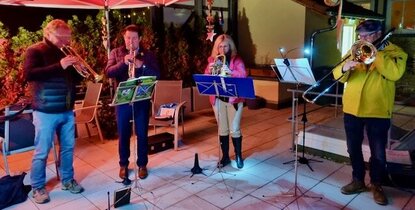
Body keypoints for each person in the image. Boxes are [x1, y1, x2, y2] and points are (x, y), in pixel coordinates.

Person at [333, 20, 407, 206]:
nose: (362, 39)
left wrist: (376, 55)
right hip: (352, 109)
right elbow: (338, 75)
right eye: (360, 36)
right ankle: (358, 180)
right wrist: (345, 68)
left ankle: (377, 184)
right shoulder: (355, 50)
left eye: (366, 36)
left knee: (378, 153)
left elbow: (395, 73)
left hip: (378, 110)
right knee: (353, 148)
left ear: (378, 33)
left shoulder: (396, 52)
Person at [23, 19, 84, 204]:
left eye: (68, 38)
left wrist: (78, 70)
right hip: (45, 110)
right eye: (62, 38)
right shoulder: (35, 50)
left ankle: (67, 180)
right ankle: (37, 187)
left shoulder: (64, 52)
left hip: (66, 109)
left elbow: (70, 78)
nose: (67, 42)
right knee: (42, 152)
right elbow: (29, 74)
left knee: (68, 148)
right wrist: (60, 65)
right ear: (48, 34)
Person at [105, 24, 160, 181]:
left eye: (134, 38)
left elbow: (157, 74)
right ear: (124, 38)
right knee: (123, 134)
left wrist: (142, 65)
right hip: (123, 100)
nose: (131, 41)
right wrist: (123, 62)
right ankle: (123, 164)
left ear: (140, 39)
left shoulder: (147, 55)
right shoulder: (116, 52)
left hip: (141, 99)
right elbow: (108, 72)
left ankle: (142, 164)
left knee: (142, 133)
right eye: (128, 38)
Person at [204, 34, 247, 169]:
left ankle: (238, 156)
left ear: (230, 46)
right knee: (222, 129)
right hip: (218, 99)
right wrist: (209, 72)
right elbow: (205, 79)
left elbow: (243, 75)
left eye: (225, 46)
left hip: (234, 99)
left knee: (234, 128)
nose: (222, 49)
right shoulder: (212, 59)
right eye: (220, 46)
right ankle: (225, 157)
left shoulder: (237, 59)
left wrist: (231, 72)